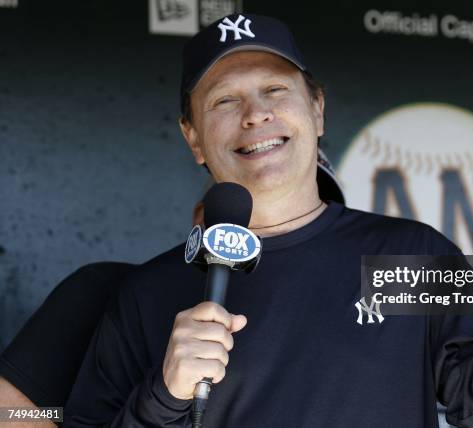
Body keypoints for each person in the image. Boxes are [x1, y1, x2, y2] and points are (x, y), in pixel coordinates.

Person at [63, 13, 473, 427]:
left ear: (317, 109)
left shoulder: (410, 256)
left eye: (275, 90)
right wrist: (163, 395)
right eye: (225, 101)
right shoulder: (147, 294)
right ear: (193, 138)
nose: (255, 115)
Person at [0, 151, 342, 427]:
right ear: (204, 219)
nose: (288, 232)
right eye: (263, 210)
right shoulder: (107, 291)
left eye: (310, 218)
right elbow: (10, 414)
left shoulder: (338, 330)